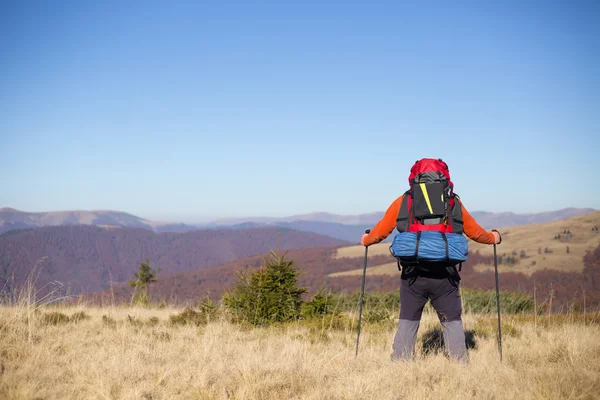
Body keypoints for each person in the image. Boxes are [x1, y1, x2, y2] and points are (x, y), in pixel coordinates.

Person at [360, 158, 501, 363]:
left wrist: (366, 240)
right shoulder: (452, 202)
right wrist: (493, 237)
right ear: (444, 177)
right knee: (452, 320)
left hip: (413, 273)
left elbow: (381, 230)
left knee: (408, 318)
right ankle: (460, 363)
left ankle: (400, 362)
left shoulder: (404, 201)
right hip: (445, 274)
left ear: (414, 177)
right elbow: (475, 232)